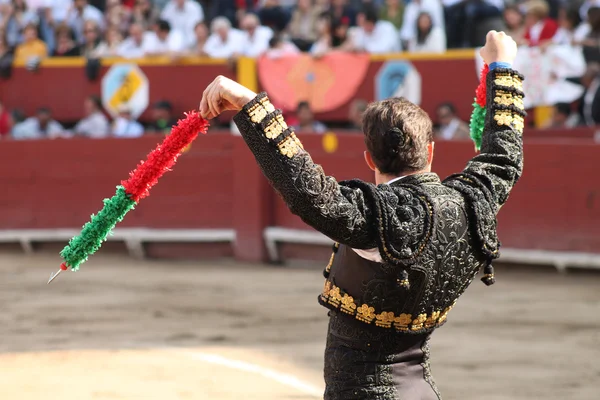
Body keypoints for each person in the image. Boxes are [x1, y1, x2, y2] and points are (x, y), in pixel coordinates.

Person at [199, 30, 525, 399]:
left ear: (369, 158)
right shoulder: (472, 201)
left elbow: (307, 189)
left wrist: (251, 105)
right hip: (421, 390)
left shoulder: (380, 218)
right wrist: (502, 66)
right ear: (430, 152)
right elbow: (504, 155)